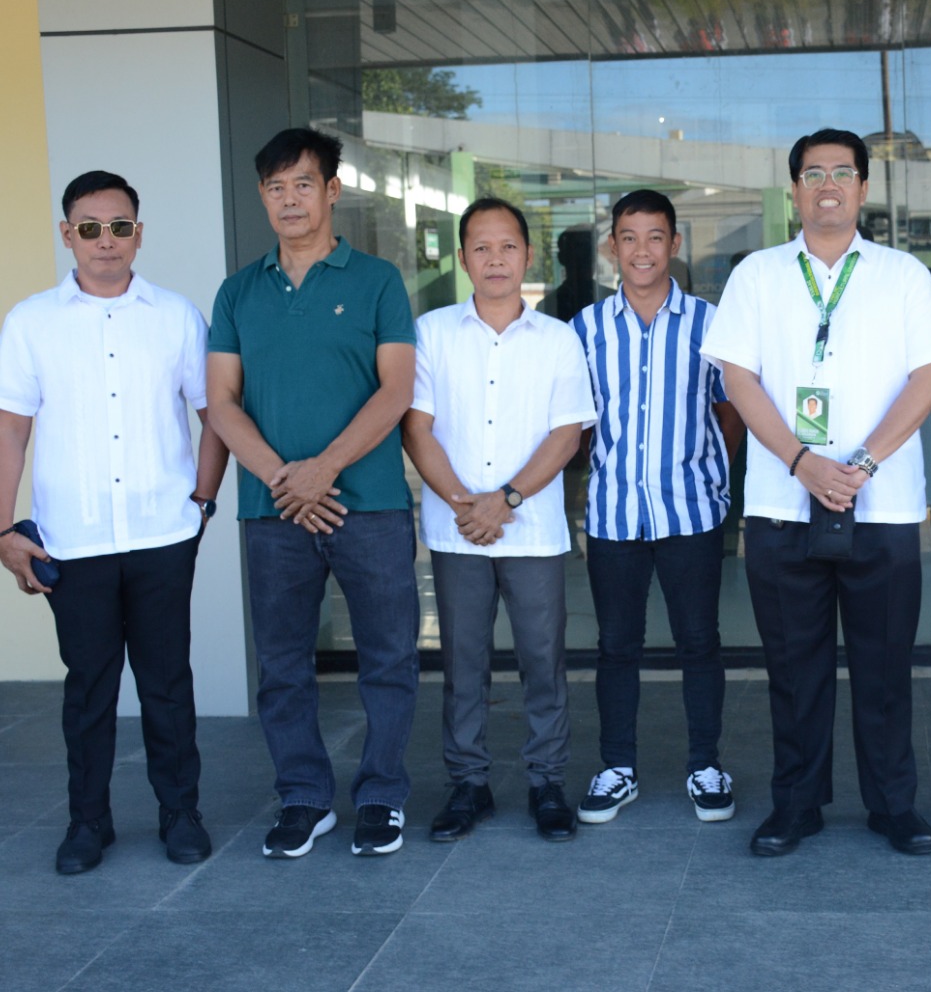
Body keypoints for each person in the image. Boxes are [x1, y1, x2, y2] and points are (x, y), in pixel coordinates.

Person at [702, 128, 931, 857]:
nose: (828, 185)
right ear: (794, 190)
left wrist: (862, 464)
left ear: (864, 189)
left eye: (843, 173)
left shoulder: (903, 274)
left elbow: (929, 378)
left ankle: (893, 805)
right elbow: (737, 378)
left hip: (882, 505)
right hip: (783, 507)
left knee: (883, 671)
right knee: (794, 669)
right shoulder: (757, 273)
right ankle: (797, 803)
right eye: (812, 173)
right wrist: (800, 461)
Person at [0, 171, 229, 874]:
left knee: (166, 683)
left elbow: (215, 415)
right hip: (76, 539)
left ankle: (180, 813)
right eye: (91, 228)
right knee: (89, 687)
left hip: (163, 533)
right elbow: (10, 430)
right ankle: (87, 823)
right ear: (67, 234)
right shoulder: (30, 321)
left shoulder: (177, 315)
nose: (107, 240)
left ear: (139, 232)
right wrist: (5, 530)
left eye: (120, 226)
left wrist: (202, 502)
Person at [206, 127, 421, 859]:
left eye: (303, 183)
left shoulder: (378, 281)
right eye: (275, 186)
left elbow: (397, 391)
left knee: (389, 656)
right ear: (262, 196)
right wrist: (283, 478)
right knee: (285, 663)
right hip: (272, 512)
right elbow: (222, 403)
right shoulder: (238, 290)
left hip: (372, 506)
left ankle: (382, 796)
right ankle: (303, 796)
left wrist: (323, 468)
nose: (289, 199)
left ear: (332, 190)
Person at [403, 197, 597, 843]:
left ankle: (547, 782)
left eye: (507, 246)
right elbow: (417, 427)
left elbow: (567, 434)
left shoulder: (559, 339)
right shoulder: (430, 332)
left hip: (532, 532)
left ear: (528, 256)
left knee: (544, 661)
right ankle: (469, 784)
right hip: (456, 531)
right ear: (461, 258)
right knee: (463, 663)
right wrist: (466, 503)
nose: (494, 259)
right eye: (480, 248)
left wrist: (504, 500)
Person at [571, 189, 744, 827]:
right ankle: (617, 767)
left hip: (691, 514)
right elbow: (578, 426)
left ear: (674, 244)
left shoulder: (710, 324)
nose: (641, 250)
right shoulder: (585, 330)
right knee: (616, 645)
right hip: (615, 515)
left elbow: (732, 414)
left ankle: (706, 765)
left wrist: (711, 480)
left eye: (654, 237)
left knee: (700, 642)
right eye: (628, 236)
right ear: (612, 246)